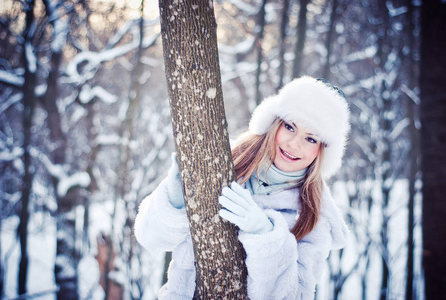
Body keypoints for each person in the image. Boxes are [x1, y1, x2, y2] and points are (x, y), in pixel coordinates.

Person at [134, 76, 350, 299]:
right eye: (289, 127)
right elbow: (150, 238)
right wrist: (175, 198)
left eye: (311, 139)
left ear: (323, 151)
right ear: (275, 123)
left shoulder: (314, 215)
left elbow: (294, 295)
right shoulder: (223, 160)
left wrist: (265, 234)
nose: (294, 144)